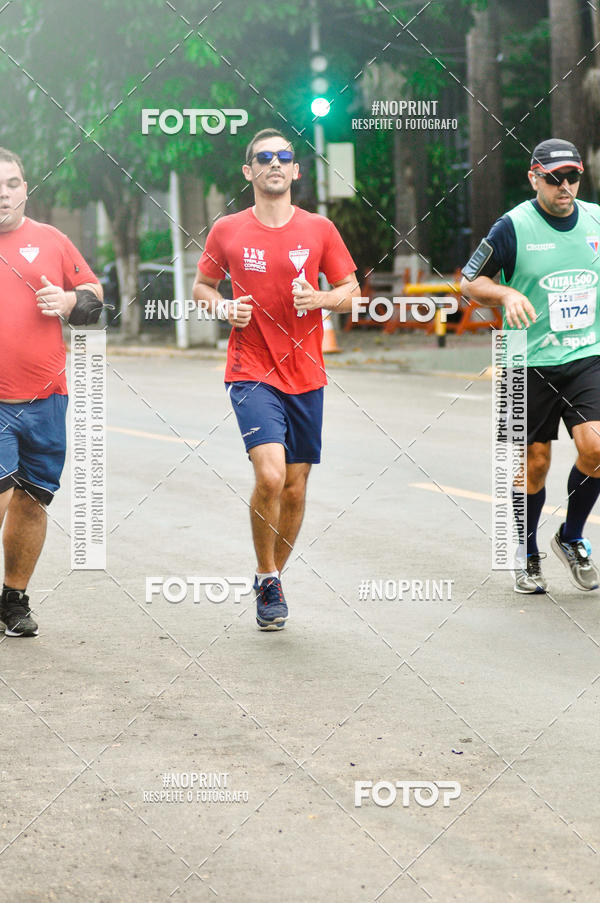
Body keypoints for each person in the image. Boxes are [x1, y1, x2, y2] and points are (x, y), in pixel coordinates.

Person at [194, 128, 358, 630]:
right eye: (263, 158)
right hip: (250, 371)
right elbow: (202, 286)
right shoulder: (227, 229)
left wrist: (323, 299)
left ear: (296, 169)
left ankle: (272, 580)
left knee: (296, 487)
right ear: (249, 172)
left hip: (306, 373)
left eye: (283, 157)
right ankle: (267, 575)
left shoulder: (320, 229)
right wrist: (223, 307)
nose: (274, 164)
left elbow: (351, 290)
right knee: (270, 475)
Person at [461, 137, 600, 594]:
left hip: (584, 355)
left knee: (597, 448)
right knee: (533, 464)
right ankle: (526, 551)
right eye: (554, 178)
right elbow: (468, 281)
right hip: (525, 358)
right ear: (534, 177)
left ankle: (571, 535)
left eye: (572, 176)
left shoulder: (596, 221)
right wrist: (506, 293)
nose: (564, 186)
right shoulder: (512, 227)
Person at [0, 148, 103, 637]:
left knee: (32, 500)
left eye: (13, 182)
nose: (4, 192)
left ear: (26, 188)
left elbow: (95, 300)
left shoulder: (52, 240)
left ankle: (13, 600)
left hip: (46, 399)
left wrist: (67, 300)